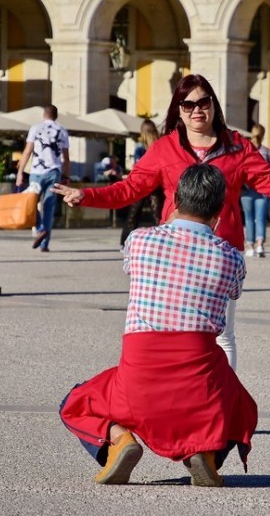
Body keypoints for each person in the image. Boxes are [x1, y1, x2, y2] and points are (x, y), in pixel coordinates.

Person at [51, 74, 270, 371]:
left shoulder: (237, 146)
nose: (197, 110)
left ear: (213, 105)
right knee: (171, 332)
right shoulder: (164, 148)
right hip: (173, 251)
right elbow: (130, 188)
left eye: (203, 102)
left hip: (220, 252)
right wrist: (86, 195)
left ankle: (224, 408)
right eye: (188, 104)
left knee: (221, 335)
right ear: (178, 110)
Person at [59, 164, 256, 488]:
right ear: (220, 209)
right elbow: (233, 293)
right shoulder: (231, 258)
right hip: (200, 389)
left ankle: (119, 439)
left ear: (175, 199)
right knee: (240, 404)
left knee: (75, 400)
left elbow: (131, 267)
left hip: (138, 383)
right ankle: (205, 454)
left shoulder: (140, 241)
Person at [16, 105, 70, 253]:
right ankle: (44, 244)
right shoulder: (63, 131)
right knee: (48, 207)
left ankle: (40, 228)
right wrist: (66, 176)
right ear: (56, 116)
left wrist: (20, 172)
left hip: (36, 172)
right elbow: (66, 158)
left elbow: (27, 151)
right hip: (54, 173)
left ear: (43, 115)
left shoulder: (35, 128)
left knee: (31, 202)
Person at [119, 119, 164, 249]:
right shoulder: (160, 144)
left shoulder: (140, 147)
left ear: (142, 132)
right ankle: (163, 243)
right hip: (156, 184)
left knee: (133, 215)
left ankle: (125, 244)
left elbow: (137, 166)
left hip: (140, 184)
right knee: (158, 216)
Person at [240, 123, 270, 257]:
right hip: (263, 190)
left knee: (248, 219)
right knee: (260, 218)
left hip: (246, 190)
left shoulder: (243, 150)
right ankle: (260, 245)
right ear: (263, 135)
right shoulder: (267, 152)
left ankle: (250, 246)